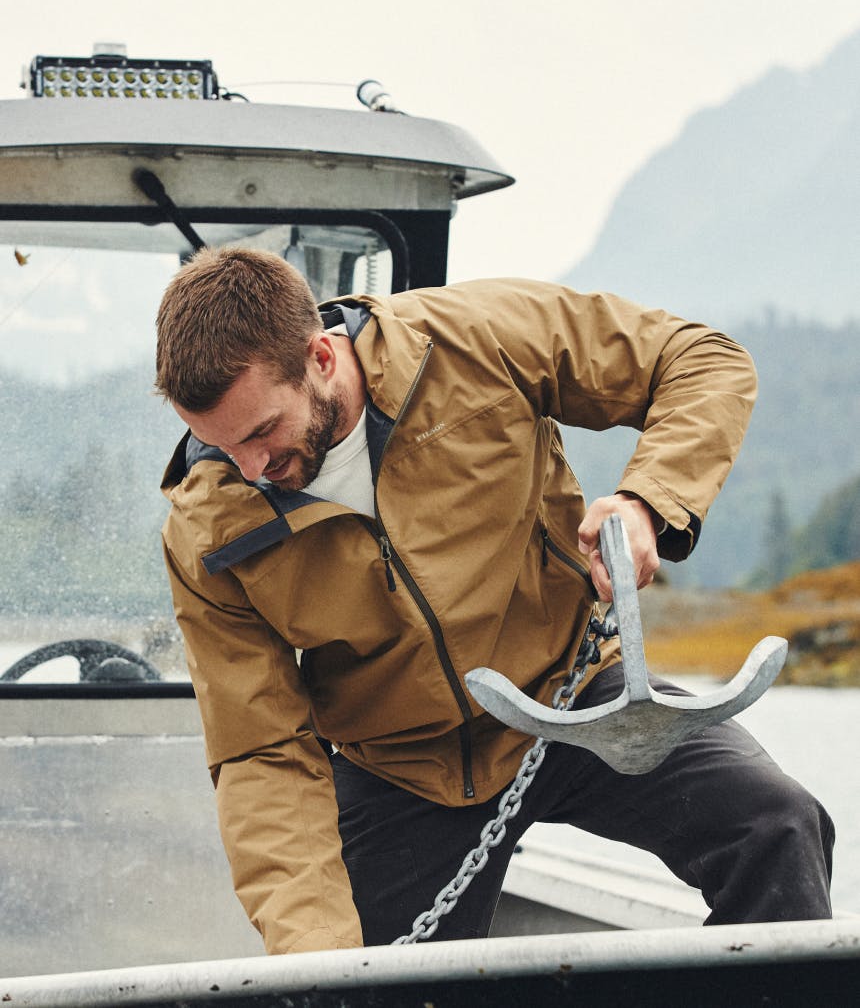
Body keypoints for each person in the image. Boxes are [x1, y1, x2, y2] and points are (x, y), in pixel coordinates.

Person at [156, 246, 834, 955]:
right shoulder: (207, 527)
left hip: (573, 689)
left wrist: (647, 500)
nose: (251, 468)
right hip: (399, 765)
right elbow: (262, 752)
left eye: (262, 430)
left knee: (778, 829)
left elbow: (701, 361)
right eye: (220, 444)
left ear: (320, 358)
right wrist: (318, 954)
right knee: (341, 977)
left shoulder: (475, 339)